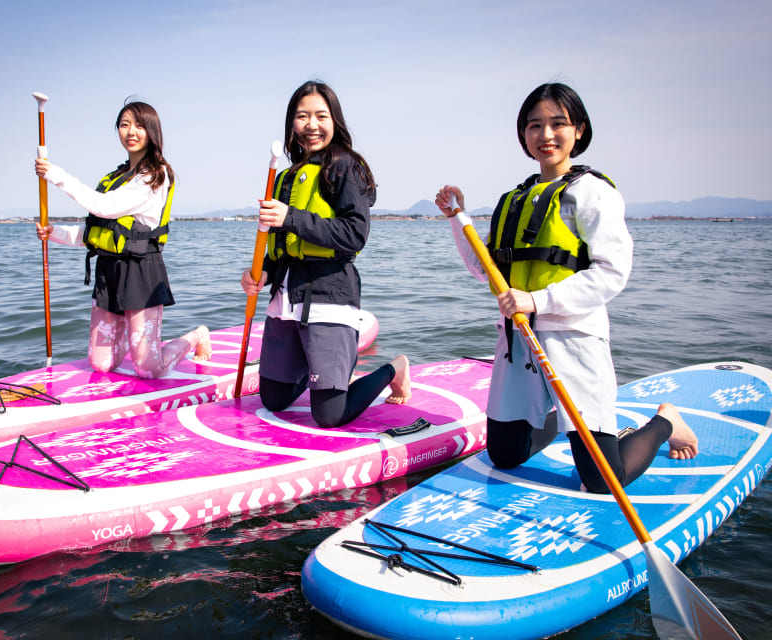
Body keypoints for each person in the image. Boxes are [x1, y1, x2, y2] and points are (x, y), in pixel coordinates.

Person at [434, 82, 698, 493]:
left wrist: (537, 300)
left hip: (574, 342)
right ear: (524, 135)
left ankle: (665, 422)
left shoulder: (593, 192)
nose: (546, 135)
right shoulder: (513, 199)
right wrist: (456, 217)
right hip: (518, 346)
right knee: (504, 455)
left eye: (558, 123)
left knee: (603, 481)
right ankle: (565, 422)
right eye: (535, 125)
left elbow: (612, 272)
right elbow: (484, 269)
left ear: (579, 130)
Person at [240, 80, 411, 428]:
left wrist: (290, 216)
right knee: (272, 400)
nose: (312, 125)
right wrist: (262, 274)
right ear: (292, 124)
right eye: (302, 117)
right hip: (287, 297)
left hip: (329, 293)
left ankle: (395, 368)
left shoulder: (346, 166)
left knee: (330, 415)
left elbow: (354, 234)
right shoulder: (288, 176)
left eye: (321, 115)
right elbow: (281, 247)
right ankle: (322, 369)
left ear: (336, 120)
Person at [35, 99, 211, 378]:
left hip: (141, 274)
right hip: (109, 273)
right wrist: (53, 233)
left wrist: (55, 175)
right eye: (124, 124)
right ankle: (138, 340)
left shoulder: (155, 175)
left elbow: (104, 207)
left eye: (140, 125)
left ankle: (195, 336)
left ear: (152, 131)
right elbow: (100, 234)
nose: (131, 131)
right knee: (101, 364)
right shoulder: (116, 177)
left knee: (149, 369)